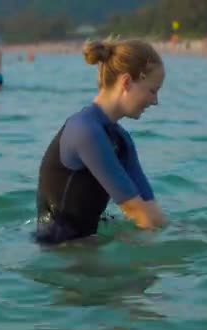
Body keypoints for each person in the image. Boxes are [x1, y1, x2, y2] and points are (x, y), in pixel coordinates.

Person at [34, 39, 167, 245]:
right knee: (142, 276)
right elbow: (137, 212)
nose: (155, 101)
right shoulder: (85, 131)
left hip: (87, 244)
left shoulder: (119, 138)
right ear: (126, 83)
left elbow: (150, 211)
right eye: (152, 90)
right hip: (59, 253)